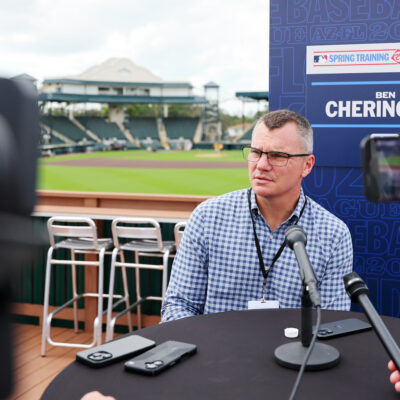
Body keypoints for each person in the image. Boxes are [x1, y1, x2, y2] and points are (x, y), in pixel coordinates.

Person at [161, 109, 353, 322]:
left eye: (277, 155)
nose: (261, 165)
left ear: (307, 165)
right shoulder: (208, 217)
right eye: (255, 152)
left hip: (295, 354)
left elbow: (333, 324)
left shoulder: (333, 234)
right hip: (216, 351)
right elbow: (178, 306)